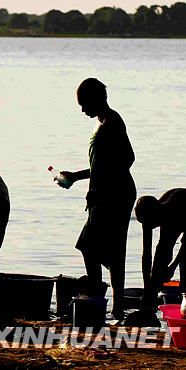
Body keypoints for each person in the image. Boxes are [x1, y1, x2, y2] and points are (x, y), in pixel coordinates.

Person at [59, 78, 136, 320]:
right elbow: (101, 165)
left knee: (101, 248)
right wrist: (76, 176)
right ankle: (103, 301)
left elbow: (127, 160)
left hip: (115, 195)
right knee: (93, 247)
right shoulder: (103, 122)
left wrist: (101, 188)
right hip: (103, 194)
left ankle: (107, 304)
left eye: (84, 104)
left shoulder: (113, 123)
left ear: (96, 99)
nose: (82, 110)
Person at [134, 167, 186, 313]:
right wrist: (148, 287)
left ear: (157, 214)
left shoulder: (176, 210)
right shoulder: (149, 213)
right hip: (181, 203)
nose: (148, 226)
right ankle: (150, 305)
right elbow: (147, 254)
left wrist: (173, 266)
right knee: (161, 257)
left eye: (150, 223)